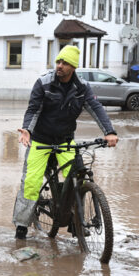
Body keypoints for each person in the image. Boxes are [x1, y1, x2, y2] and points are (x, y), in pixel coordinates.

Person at [13, 45, 118, 240]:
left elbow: (96, 108)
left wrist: (109, 132)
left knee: (77, 178)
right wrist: (27, 130)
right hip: (40, 140)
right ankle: (21, 225)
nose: (59, 66)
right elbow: (33, 109)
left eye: (65, 63)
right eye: (58, 61)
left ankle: (74, 222)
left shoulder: (82, 88)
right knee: (31, 182)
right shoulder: (43, 83)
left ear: (73, 67)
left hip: (65, 140)